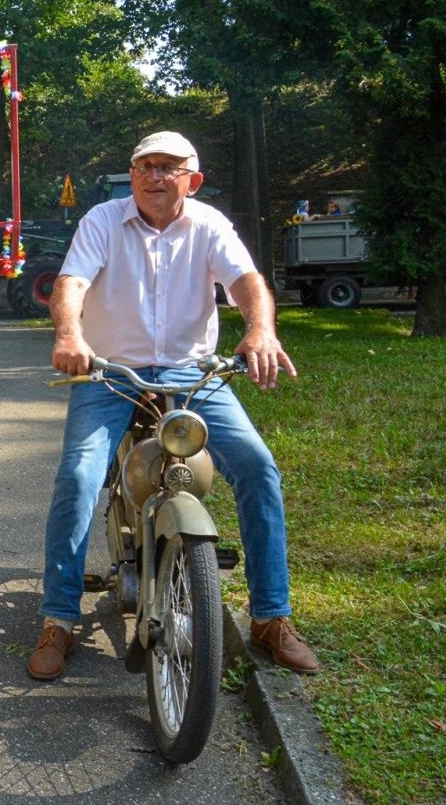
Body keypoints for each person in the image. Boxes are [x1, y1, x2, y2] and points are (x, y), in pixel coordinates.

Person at [27, 130, 320, 681]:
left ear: (193, 179)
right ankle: (59, 619)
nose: (154, 176)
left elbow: (246, 280)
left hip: (192, 372)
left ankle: (270, 618)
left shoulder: (209, 225)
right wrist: (70, 336)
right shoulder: (102, 221)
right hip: (108, 370)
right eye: (144, 165)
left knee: (258, 467)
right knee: (77, 477)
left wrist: (260, 330)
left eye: (167, 167)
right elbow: (71, 283)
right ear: (132, 173)